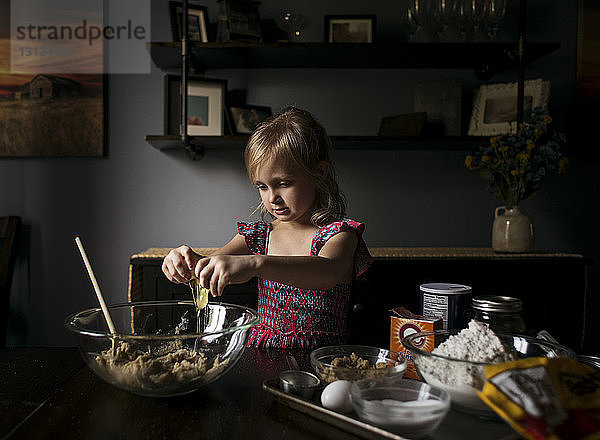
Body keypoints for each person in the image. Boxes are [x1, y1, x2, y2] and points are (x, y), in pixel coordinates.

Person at [162, 106, 372, 348]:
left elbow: (327, 273)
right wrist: (185, 263)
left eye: (283, 183)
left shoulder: (338, 235)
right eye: (262, 187)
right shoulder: (259, 237)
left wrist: (255, 264)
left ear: (319, 173)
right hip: (262, 354)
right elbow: (208, 265)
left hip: (321, 357)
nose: (272, 198)